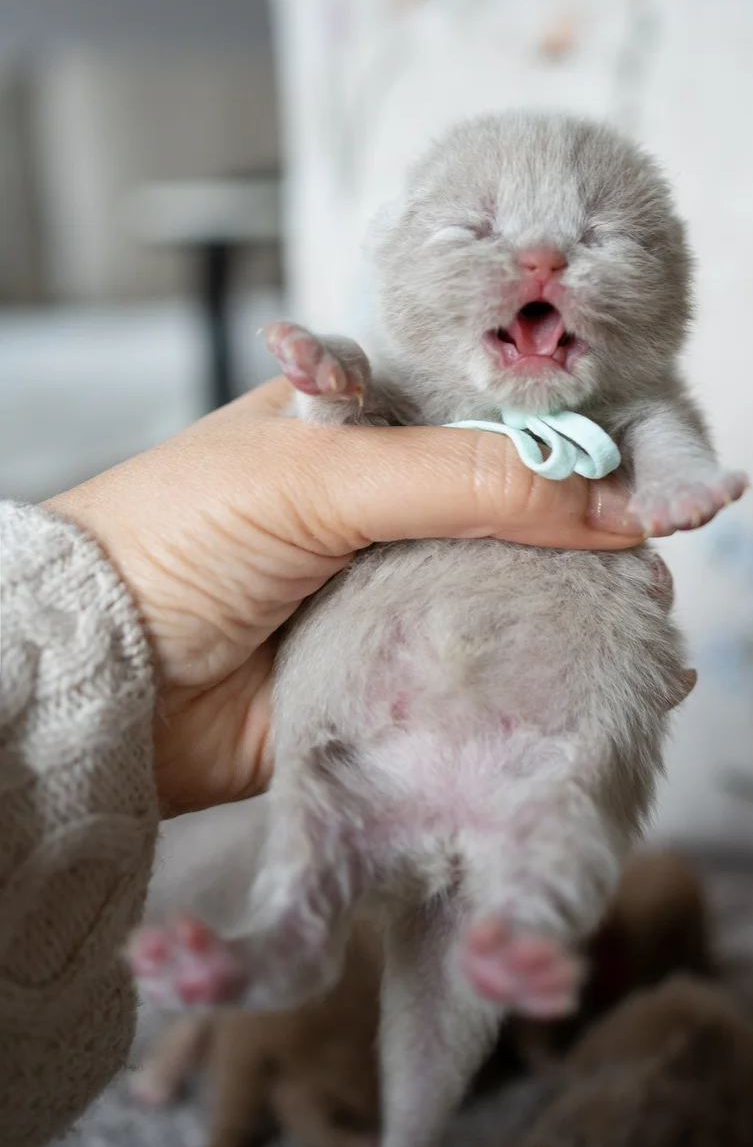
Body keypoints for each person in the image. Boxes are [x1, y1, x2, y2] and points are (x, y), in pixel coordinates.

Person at [0, 376, 643, 1147]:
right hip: (386, 730)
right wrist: (337, 392)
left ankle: (506, 938)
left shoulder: (629, 399)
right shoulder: (407, 381)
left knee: (536, 840)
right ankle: (295, 946)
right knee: (321, 835)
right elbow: (341, 440)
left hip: (526, 720)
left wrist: (670, 480)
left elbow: (662, 439)